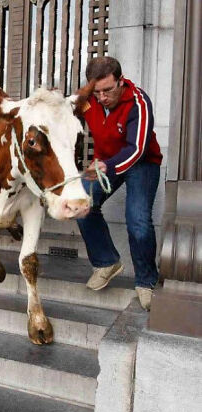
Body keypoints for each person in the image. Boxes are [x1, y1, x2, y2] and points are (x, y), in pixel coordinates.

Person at [78, 57, 162, 311]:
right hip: (106, 162)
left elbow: (137, 149)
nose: (102, 97)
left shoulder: (138, 101)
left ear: (121, 81)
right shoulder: (87, 100)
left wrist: (107, 166)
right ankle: (106, 262)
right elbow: (63, 114)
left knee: (138, 222)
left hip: (142, 163)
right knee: (82, 203)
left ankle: (146, 281)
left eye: (108, 90)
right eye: (97, 92)